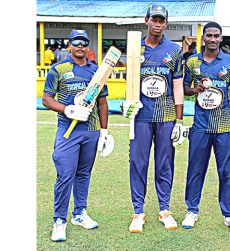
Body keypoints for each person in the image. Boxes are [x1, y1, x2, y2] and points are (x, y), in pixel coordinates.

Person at [42, 29, 114, 242]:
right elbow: (46, 99)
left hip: (90, 131)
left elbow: (102, 102)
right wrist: (66, 109)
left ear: (87, 46)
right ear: (69, 46)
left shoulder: (96, 71)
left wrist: (104, 132)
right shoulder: (59, 69)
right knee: (65, 174)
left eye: (84, 42)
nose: (80, 46)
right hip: (68, 130)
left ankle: (79, 213)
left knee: (83, 173)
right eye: (76, 42)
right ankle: (59, 220)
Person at [121, 4, 184, 233]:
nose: (157, 24)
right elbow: (130, 84)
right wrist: (127, 104)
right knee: (138, 163)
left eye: (161, 20)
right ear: (146, 20)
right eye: (154, 19)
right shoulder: (135, 48)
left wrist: (179, 120)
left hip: (166, 115)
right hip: (141, 116)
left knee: (164, 163)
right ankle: (138, 212)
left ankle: (165, 209)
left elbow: (177, 86)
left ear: (166, 23)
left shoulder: (174, 50)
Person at [181, 21, 230, 234]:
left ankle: (229, 215)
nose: (212, 39)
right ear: (203, 38)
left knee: (226, 172)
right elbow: (184, 89)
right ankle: (192, 210)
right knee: (195, 169)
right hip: (200, 126)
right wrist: (194, 89)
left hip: (226, 126)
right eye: (208, 35)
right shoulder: (192, 62)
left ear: (221, 38)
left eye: (216, 36)